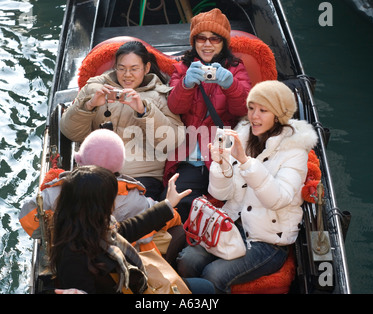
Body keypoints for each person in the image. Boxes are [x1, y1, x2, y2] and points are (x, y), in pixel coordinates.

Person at [176, 80, 318, 293]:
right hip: (231, 225)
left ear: (278, 114)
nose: (254, 116)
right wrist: (221, 165)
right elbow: (220, 193)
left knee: (214, 275)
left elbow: (279, 199)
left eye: (263, 110)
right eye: (251, 108)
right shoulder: (242, 136)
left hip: (268, 241)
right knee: (186, 260)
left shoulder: (295, 151)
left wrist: (245, 162)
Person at [19, 129, 185, 265]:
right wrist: (170, 206)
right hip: (120, 259)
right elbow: (150, 219)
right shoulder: (131, 198)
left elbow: (28, 217)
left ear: (79, 161)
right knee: (174, 233)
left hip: (74, 253)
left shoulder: (58, 192)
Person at [48, 165, 214, 294]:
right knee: (205, 288)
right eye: (111, 198)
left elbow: (127, 229)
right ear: (97, 207)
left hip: (133, 283)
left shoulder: (90, 228)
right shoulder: (72, 259)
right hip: (130, 288)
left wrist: (167, 205)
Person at [60, 40, 184, 199]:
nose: (127, 75)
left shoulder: (161, 96)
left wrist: (144, 111)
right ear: (115, 67)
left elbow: (171, 141)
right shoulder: (94, 89)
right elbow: (71, 133)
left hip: (141, 177)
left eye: (134, 69)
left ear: (146, 68)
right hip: (95, 174)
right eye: (122, 68)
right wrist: (89, 106)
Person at [162, 8, 252, 221]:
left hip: (219, 154)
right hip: (188, 156)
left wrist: (230, 85)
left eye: (215, 39)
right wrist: (185, 85)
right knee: (171, 206)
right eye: (201, 38)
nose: (207, 44)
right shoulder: (183, 68)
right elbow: (175, 108)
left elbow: (243, 110)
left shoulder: (236, 69)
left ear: (224, 43)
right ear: (194, 42)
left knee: (183, 206)